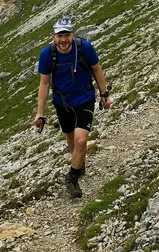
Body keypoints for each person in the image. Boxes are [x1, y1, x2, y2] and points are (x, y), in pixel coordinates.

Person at [34, 16, 111, 198]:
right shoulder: (47, 54)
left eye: (67, 35)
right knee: (70, 137)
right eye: (59, 36)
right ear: (53, 37)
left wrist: (104, 94)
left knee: (81, 140)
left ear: (73, 34)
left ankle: (72, 177)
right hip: (62, 102)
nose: (63, 40)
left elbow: (97, 69)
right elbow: (44, 84)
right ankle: (78, 164)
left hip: (84, 97)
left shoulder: (84, 48)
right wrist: (40, 113)